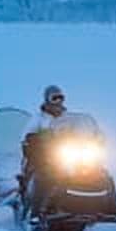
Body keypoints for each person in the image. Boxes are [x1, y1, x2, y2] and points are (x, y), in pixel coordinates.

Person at [20, 85, 68, 218]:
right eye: (54, 98)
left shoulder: (67, 118)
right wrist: (34, 139)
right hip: (42, 158)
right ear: (47, 99)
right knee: (44, 177)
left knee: (98, 173)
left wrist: (96, 137)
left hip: (66, 157)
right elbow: (26, 137)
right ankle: (35, 214)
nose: (58, 101)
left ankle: (108, 206)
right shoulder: (39, 118)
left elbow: (79, 130)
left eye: (60, 97)